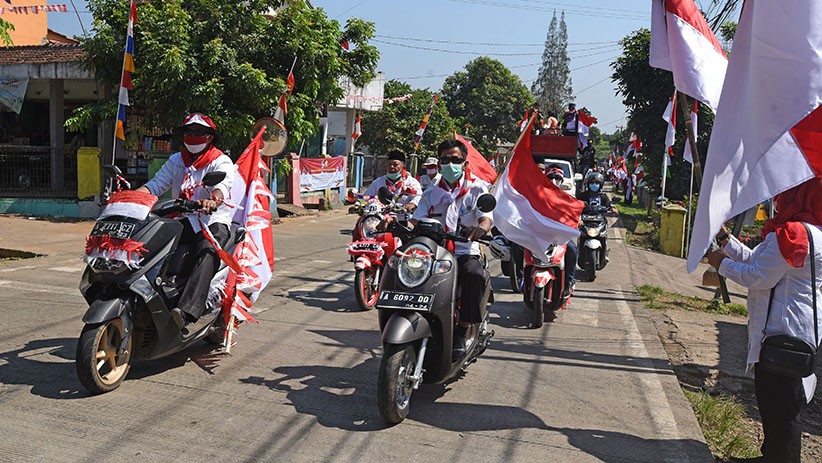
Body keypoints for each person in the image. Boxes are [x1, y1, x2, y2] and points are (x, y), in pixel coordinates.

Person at [706, 177, 822, 463]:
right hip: (790, 329)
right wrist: (725, 241)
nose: (778, 199)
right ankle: (771, 456)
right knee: (776, 404)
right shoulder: (810, 231)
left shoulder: (794, 233)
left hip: (784, 331)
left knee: (781, 409)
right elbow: (757, 260)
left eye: (786, 194)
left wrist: (720, 263)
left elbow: (758, 276)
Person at [136, 113, 235, 329]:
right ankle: (147, 299)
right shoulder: (176, 161)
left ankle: (188, 311)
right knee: (149, 245)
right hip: (181, 217)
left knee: (208, 251)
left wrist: (213, 200)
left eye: (199, 132)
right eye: (189, 132)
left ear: (210, 137)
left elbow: (223, 187)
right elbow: (155, 185)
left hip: (211, 220)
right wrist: (133, 198)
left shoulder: (220, 160)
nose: (192, 136)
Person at [411, 139, 493, 358]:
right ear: (439, 163)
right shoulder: (430, 193)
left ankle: (463, 329)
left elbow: (486, 219)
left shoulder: (476, 189)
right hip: (434, 253)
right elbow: (416, 219)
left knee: (474, 274)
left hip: (464, 252)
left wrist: (481, 230)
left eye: (455, 160)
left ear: (465, 163)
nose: (450, 164)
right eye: (445, 160)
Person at [546, 165, 579, 299]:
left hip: (560, 237)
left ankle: (568, 283)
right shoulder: (536, 194)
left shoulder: (567, 198)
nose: (554, 180)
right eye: (550, 177)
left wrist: (577, 220)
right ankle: (522, 277)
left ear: (562, 180)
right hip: (540, 236)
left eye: (557, 178)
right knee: (520, 246)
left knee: (572, 249)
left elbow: (575, 212)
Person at [364, 150, 422, 223]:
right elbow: (367, 196)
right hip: (381, 221)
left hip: (403, 221)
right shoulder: (378, 182)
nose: (391, 167)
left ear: (402, 166)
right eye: (389, 164)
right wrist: (358, 203)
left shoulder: (411, 182)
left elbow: (418, 196)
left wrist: (412, 204)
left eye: (395, 164)